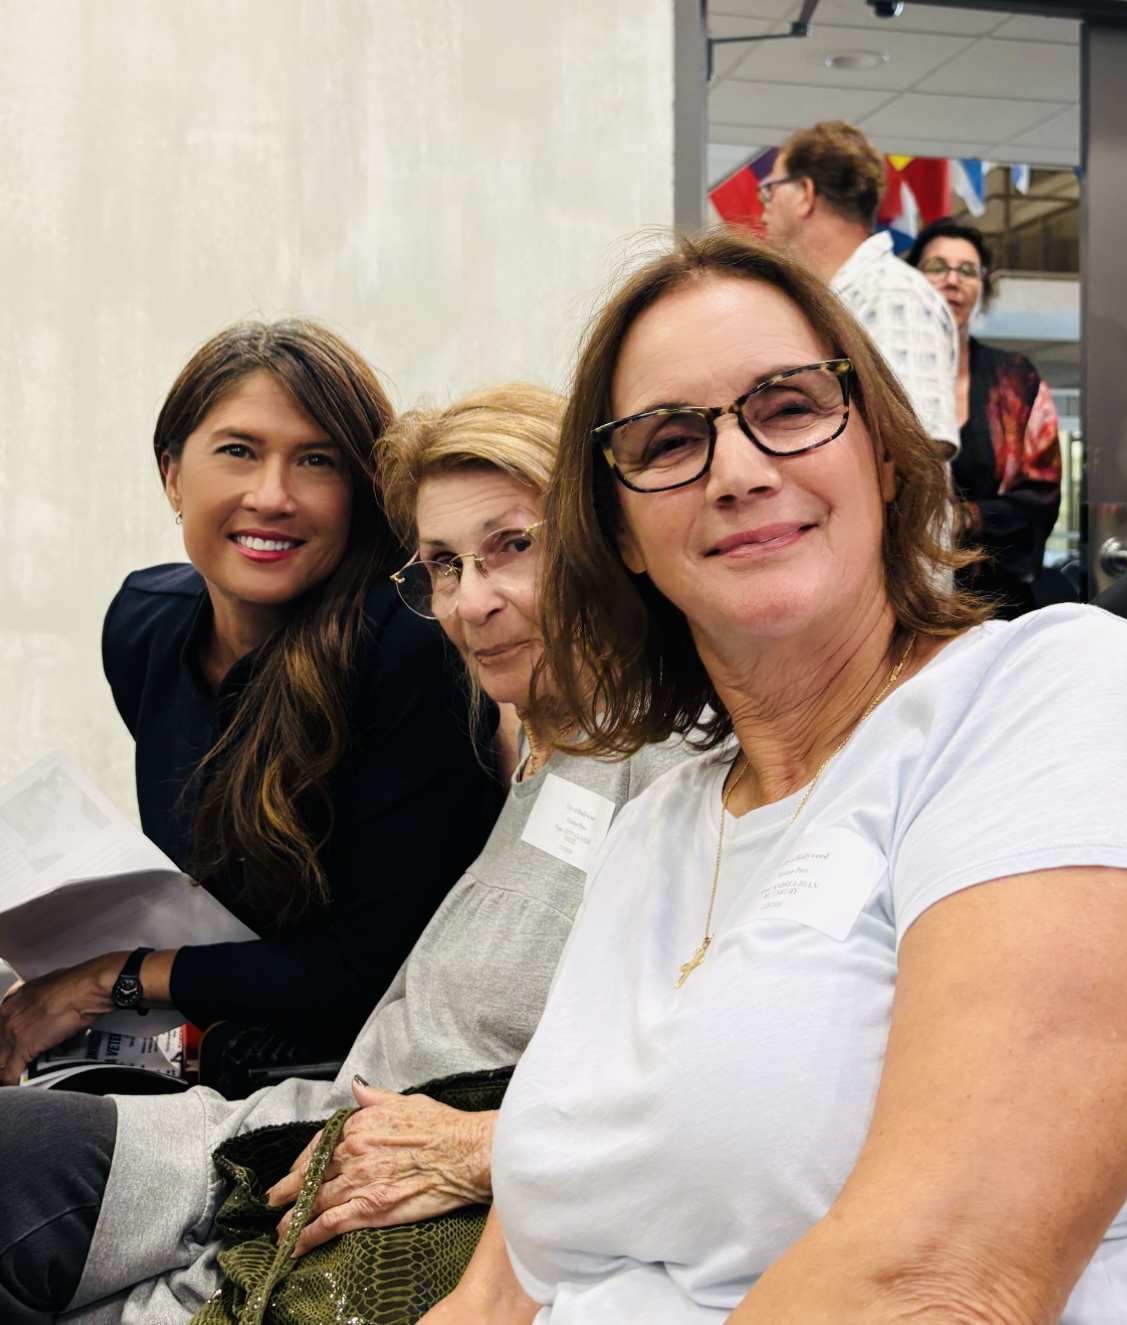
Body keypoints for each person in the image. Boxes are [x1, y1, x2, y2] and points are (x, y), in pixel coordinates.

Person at [425, 232, 1127, 1325]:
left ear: (884, 456)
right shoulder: (656, 824)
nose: (741, 472)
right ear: (621, 533)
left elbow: (944, 1280)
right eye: (669, 440)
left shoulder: (1044, 694)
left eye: (791, 407)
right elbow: (499, 1286)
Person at [0, 383, 691, 1325]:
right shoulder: (532, 730)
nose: (471, 602)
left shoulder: (663, 756)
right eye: (443, 563)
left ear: (608, 540)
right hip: (305, 1129)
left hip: (392, 1192)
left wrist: (487, 1149)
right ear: (170, 476)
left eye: (514, 546)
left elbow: (717, 1088)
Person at [0, 320, 502, 1087]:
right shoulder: (142, 624)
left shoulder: (409, 644)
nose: (272, 495)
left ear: (362, 491)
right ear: (172, 474)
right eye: (238, 450)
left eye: (317, 460)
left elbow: (372, 966)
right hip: (212, 1038)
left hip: (355, 1077)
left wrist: (111, 978)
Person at [761, 120, 960, 459]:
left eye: (771, 189)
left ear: (806, 194)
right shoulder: (836, 298)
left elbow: (916, 446)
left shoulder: (892, 295)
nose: (764, 208)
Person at [908, 217, 1063, 617]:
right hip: (907, 595)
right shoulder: (887, 371)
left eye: (967, 270)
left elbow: (1041, 496)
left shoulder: (1014, 378)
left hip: (998, 600)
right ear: (910, 281)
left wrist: (961, 518)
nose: (952, 280)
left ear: (983, 288)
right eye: (937, 267)